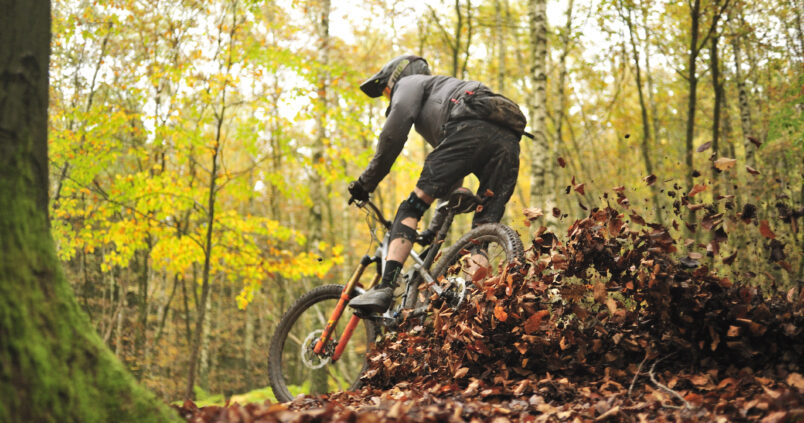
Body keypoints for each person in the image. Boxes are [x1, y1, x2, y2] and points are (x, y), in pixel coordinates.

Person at [347, 54, 524, 314]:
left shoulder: (410, 84)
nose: (388, 97)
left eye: (386, 91)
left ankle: (385, 287)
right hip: (509, 141)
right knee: (483, 232)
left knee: (411, 207)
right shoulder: (444, 91)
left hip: (468, 126)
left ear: (396, 77)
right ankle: (477, 303)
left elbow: (392, 138)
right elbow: (452, 175)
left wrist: (366, 183)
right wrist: (433, 230)